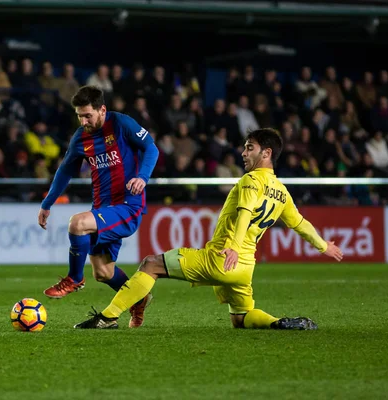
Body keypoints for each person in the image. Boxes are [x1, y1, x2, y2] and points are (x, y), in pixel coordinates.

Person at [74, 127, 344, 330]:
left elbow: (245, 213)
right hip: (245, 269)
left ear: (267, 153)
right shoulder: (281, 192)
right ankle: (277, 323)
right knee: (240, 318)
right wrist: (324, 246)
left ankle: (107, 318)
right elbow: (300, 224)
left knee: (150, 264)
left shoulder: (251, 181)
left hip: (223, 258)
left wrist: (233, 249)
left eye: (249, 147)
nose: (243, 152)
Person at [39, 85, 159, 328]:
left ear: (102, 110)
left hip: (128, 205)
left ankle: (74, 279)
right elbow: (65, 171)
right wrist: (47, 203)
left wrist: (142, 177)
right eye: (79, 116)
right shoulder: (81, 137)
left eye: (88, 115)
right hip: (103, 208)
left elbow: (151, 148)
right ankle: (139, 298)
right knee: (103, 272)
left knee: (77, 223)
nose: (83, 121)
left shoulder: (121, 124)